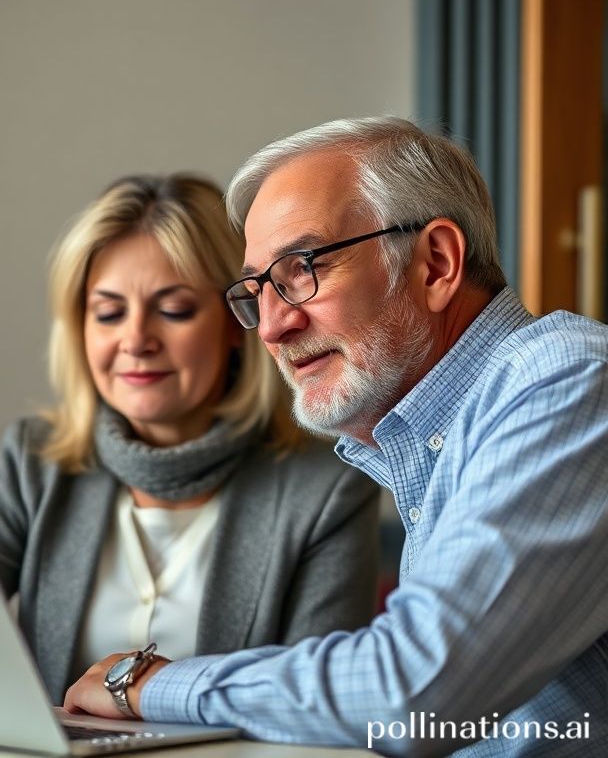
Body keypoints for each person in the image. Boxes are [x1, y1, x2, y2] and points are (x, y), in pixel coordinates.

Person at [63, 120, 608, 756]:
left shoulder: (569, 380)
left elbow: (408, 693)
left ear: (436, 263)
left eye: (302, 269)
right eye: (258, 290)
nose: (271, 327)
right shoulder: (425, 442)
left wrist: (149, 684)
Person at [0, 172, 379, 707]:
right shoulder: (33, 461)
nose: (135, 341)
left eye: (174, 310)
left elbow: (320, 705)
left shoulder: (329, 488)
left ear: (239, 323)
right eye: (109, 313)